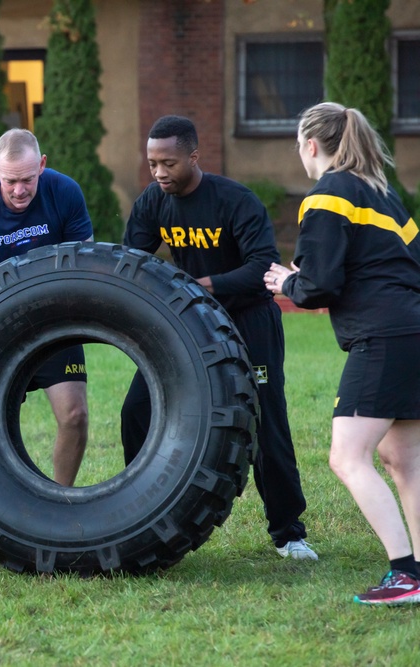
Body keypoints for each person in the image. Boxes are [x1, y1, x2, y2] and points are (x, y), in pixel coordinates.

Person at [122, 115, 317, 561]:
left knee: (266, 422)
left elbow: (263, 267)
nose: (159, 173)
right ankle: (141, 514)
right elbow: (132, 261)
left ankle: (289, 533)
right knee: (137, 410)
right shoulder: (153, 203)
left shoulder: (235, 201)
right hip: (189, 324)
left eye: (168, 163)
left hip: (249, 319)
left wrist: (198, 285)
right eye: (152, 164)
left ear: (193, 156)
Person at [264, 102, 420, 605]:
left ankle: (406, 576)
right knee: (403, 458)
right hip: (412, 329)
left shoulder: (326, 195)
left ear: (311, 145)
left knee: (347, 456)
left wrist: (291, 281)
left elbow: (321, 284)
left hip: (383, 336)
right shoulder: (385, 195)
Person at [0, 128, 93, 486]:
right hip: (1, 328)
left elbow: (85, 267)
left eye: (28, 179)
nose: (19, 190)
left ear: (42, 166)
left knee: (75, 415)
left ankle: (61, 499)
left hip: (56, 322)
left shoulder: (65, 193)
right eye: (11, 180)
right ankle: (5, 500)